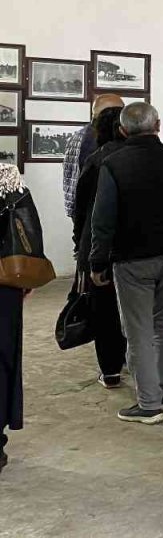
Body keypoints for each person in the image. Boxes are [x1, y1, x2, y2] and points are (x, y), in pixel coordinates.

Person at [90, 103, 163, 424]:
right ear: (158, 125)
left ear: (122, 130)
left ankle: (149, 404)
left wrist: (97, 261)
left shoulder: (114, 164)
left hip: (132, 260)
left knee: (137, 331)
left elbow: (102, 220)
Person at [71, 106, 128, 389]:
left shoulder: (96, 160)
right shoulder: (136, 159)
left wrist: (80, 247)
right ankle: (135, 360)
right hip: (135, 246)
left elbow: (81, 210)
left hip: (99, 247)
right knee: (136, 310)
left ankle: (110, 371)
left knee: (104, 311)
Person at [0, 165, 44, 474]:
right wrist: (26, 279)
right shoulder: (5, 177)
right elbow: (27, 231)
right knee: (1, 358)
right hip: (3, 283)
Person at [62, 94, 124, 219]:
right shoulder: (98, 139)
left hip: (78, 208)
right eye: (121, 110)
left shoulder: (78, 135)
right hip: (93, 211)